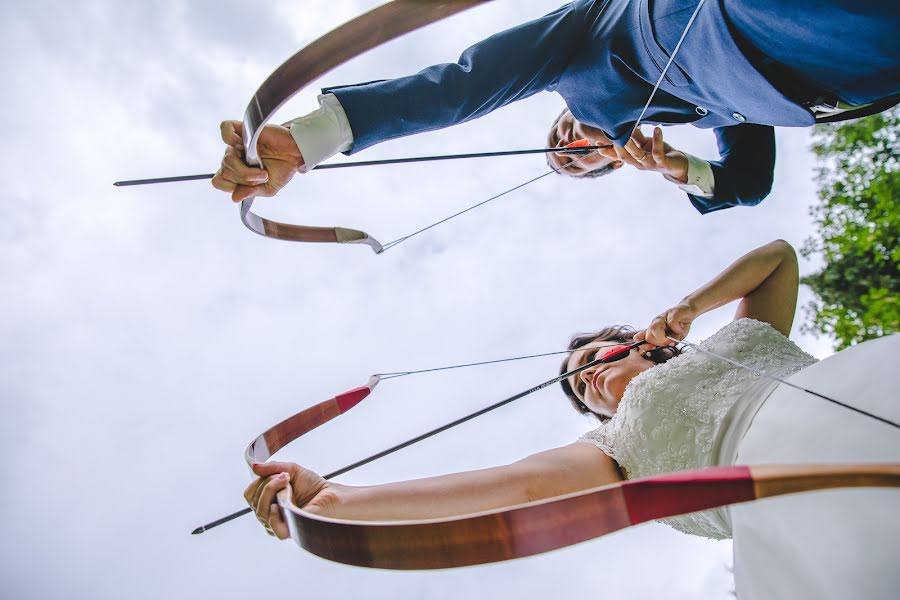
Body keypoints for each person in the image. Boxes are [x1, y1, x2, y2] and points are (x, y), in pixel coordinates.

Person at [245, 239, 900, 598]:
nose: (584, 379)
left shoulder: (737, 339)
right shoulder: (611, 446)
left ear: (644, 342)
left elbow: (778, 260)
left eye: (589, 360)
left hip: (856, 393)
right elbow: (515, 488)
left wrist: (691, 307)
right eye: (578, 389)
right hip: (787, 524)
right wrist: (335, 500)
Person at [213, 0, 900, 214]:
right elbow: (751, 183)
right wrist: (680, 169)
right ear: (611, 162)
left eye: (559, 139)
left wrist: (312, 137)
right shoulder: (704, 124)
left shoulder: (577, 50)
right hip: (843, 75)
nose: (571, 146)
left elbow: (463, 83)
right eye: (577, 164)